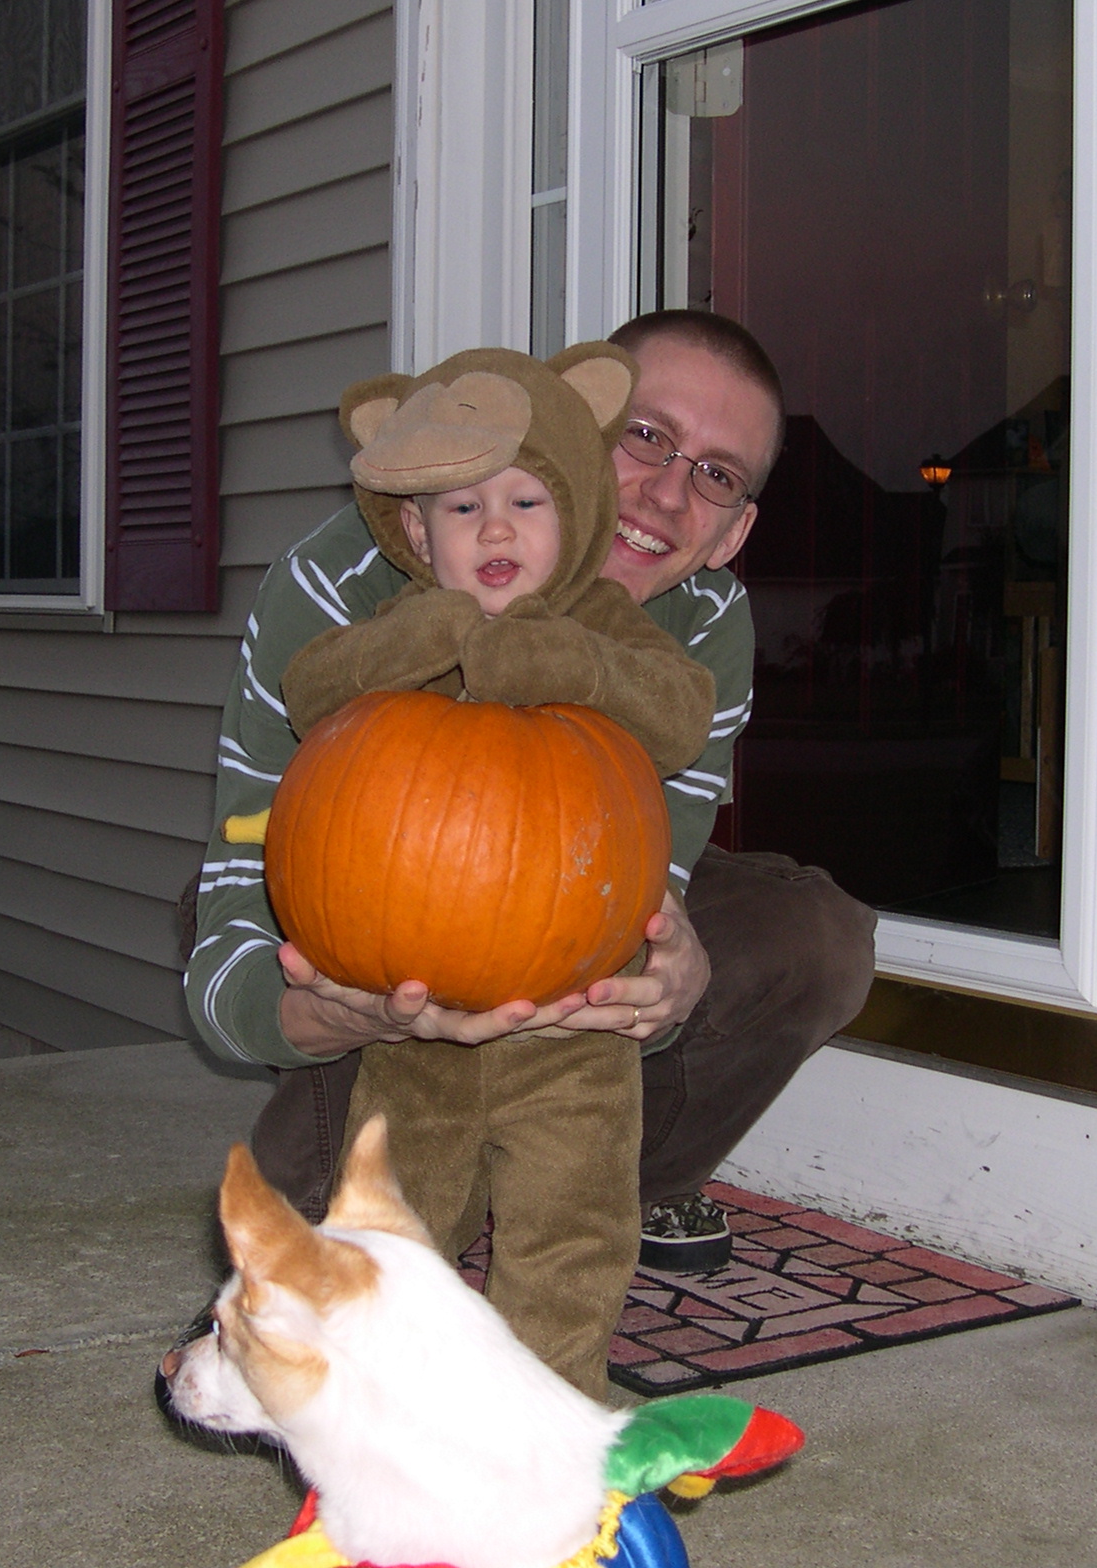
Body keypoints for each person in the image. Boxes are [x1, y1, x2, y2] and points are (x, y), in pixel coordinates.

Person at [183, 309, 878, 1280]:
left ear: (734, 531)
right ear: (560, 426)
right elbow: (226, 934)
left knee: (816, 939)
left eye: (716, 474)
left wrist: (669, 985)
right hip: (381, 916)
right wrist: (332, 1011)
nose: (668, 493)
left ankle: (601, 1189)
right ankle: (416, 1180)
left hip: (570, 888)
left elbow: (650, 886)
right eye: (645, 435)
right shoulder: (351, 572)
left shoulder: (704, 621)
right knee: (292, 1277)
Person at [272, 340, 714, 1397]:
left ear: (578, 514)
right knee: (392, 1224)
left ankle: (544, 1414)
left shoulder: (598, 623)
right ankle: (379, 1414)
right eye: (462, 510)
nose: (498, 527)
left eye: (527, 498)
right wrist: (427, 634)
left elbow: (681, 713)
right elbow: (308, 689)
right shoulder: (401, 629)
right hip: (408, 1010)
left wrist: (564, 663)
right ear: (415, 530)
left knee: (569, 1233)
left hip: (572, 1014)